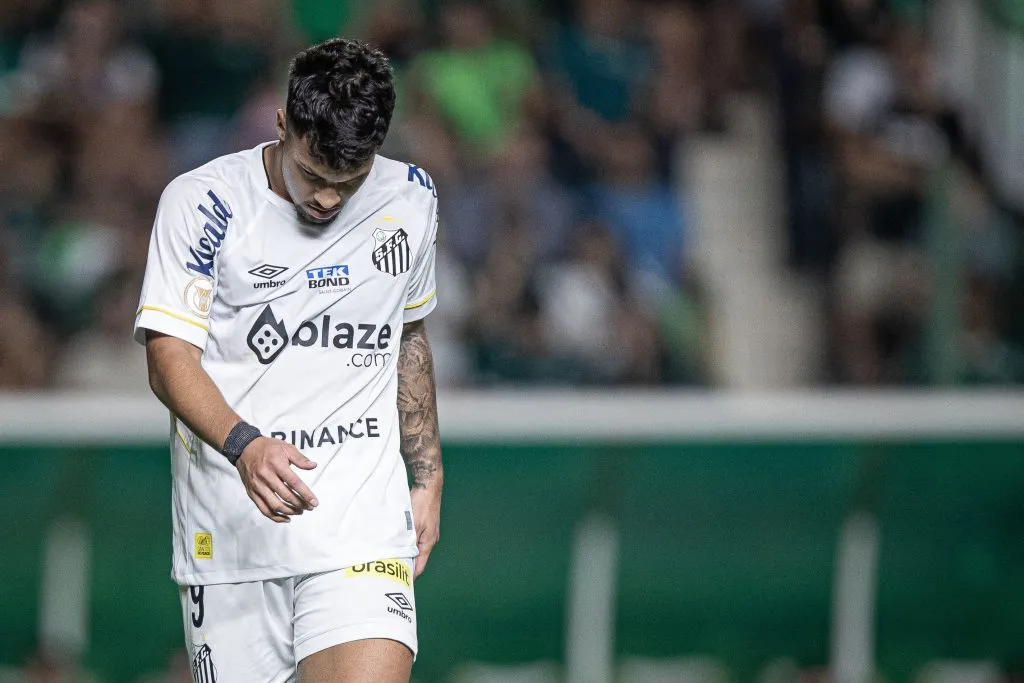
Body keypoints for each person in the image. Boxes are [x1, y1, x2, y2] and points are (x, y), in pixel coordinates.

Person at [133, 38, 443, 683]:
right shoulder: (203, 202)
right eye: (313, 174)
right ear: (282, 123)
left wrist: (427, 473)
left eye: (348, 181)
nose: (328, 198)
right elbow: (168, 358)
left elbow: (408, 335)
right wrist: (244, 445)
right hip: (231, 539)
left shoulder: (411, 199)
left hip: (358, 526)